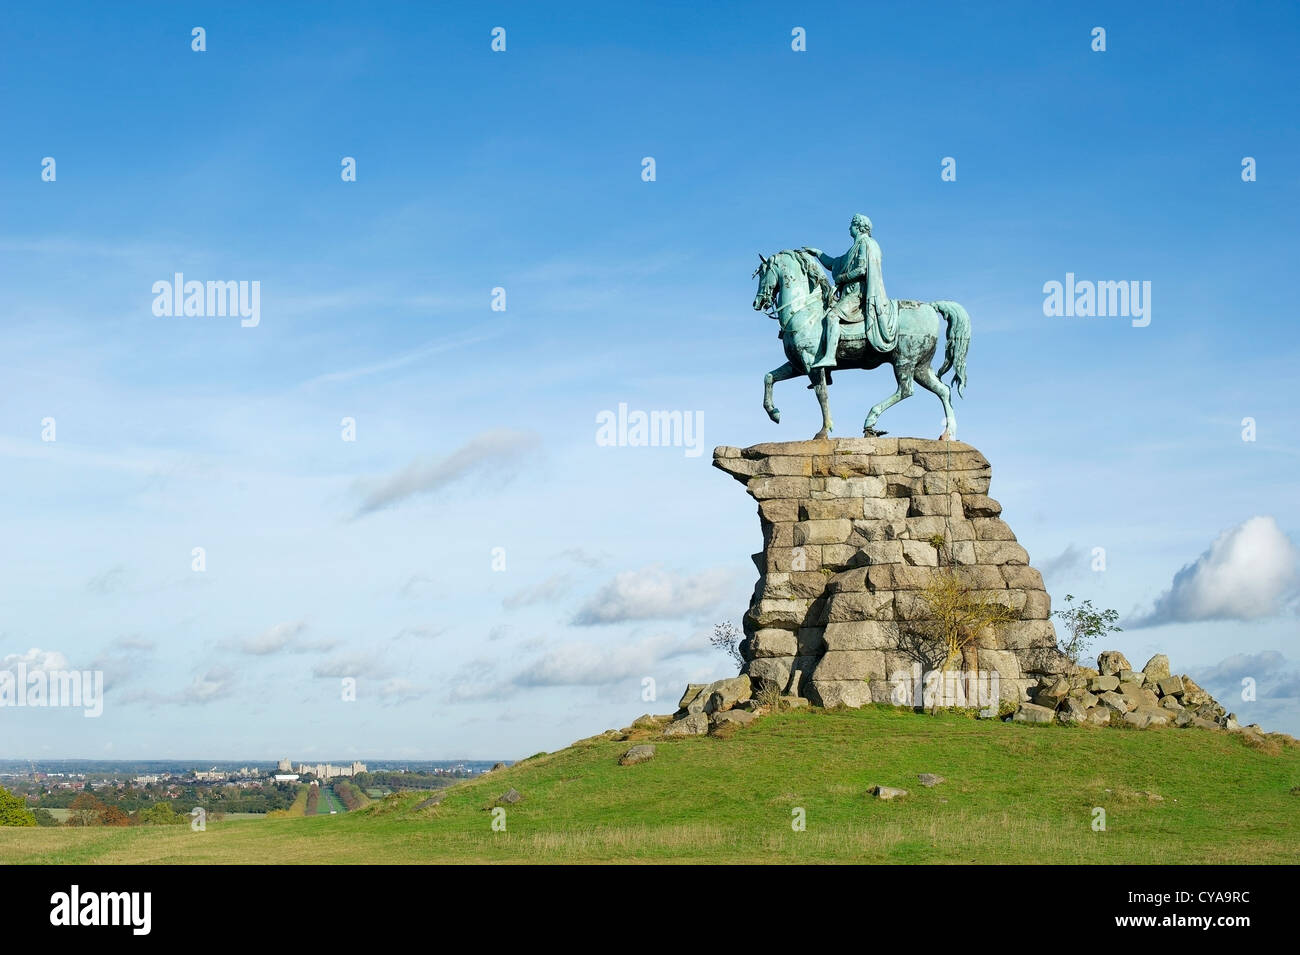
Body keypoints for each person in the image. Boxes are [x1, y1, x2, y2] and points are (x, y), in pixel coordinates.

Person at [803, 213, 896, 369]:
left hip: (857, 295)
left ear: (859, 227)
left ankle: (830, 357)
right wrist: (818, 253)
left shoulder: (865, 244)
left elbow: (862, 269)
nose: (849, 228)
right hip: (849, 293)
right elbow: (834, 263)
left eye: (851, 225)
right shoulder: (855, 247)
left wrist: (841, 278)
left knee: (832, 316)